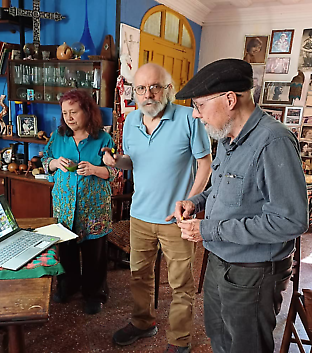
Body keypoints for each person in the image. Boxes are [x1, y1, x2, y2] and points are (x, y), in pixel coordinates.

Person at [172, 58, 308, 353]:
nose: (197, 115)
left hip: (253, 275)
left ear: (230, 99)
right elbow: (223, 190)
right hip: (219, 264)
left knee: (246, 347)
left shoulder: (274, 141)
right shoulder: (226, 138)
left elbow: (292, 221)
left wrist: (208, 229)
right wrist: (195, 203)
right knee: (219, 339)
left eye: (200, 105)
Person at [102, 63, 212, 353]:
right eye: (141, 88)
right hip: (139, 215)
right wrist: (117, 163)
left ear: (168, 90)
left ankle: (179, 341)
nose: (148, 94)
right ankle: (142, 322)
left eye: (155, 87)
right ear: (134, 92)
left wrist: (190, 202)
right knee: (139, 275)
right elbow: (132, 161)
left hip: (176, 219)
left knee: (180, 284)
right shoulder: (131, 121)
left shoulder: (190, 118)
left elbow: (205, 164)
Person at [42, 89, 117, 315]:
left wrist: (95, 169)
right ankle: (68, 286)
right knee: (66, 251)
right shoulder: (58, 137)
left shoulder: (103, 138)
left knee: (95, 254)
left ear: (87, 111)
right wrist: (55, 163)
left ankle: (94, 294)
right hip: (65, 208)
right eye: (65, 113)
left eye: (73, 112)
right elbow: (45, 162)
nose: (69, 117)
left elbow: (114, 172)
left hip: (93, 209)